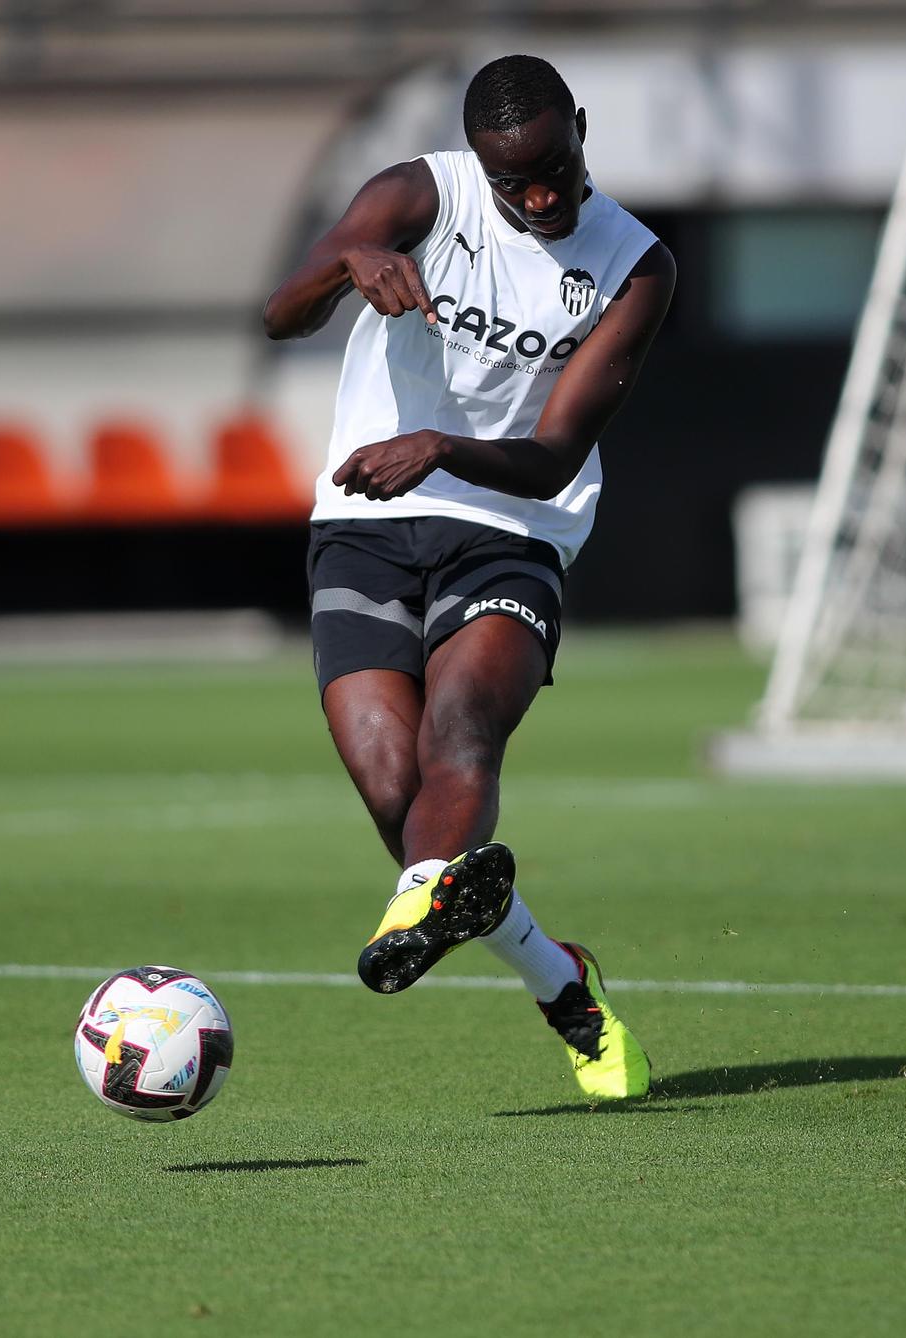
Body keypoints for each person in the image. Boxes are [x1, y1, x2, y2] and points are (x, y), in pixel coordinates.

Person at [262, 53, 675, 1100]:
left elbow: (551, 453)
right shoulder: (417, 193)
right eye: (513, 184)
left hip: (512, 528)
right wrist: (350, 259)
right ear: (477, 167)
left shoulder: (634, 266)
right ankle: (562, 986)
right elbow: (279, 313)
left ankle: (437, 908)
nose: (538, 198)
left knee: (459, 740)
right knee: (405, 813)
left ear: (579, 128)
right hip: (361, 523)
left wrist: (440, 447)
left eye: (553, 170)